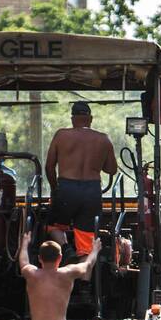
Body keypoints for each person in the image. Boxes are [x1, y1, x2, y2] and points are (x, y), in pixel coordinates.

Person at [45, 101, 117, 259]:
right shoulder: (103, 139)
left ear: (72, 118)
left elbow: (49, 167)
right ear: (90, 118)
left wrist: (55, 188)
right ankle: (85, 282)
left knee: (53, 226)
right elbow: (111, 169)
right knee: (85, 244)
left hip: (67, 188)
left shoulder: (61, 135)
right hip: (92, 191)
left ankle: (66, 248)